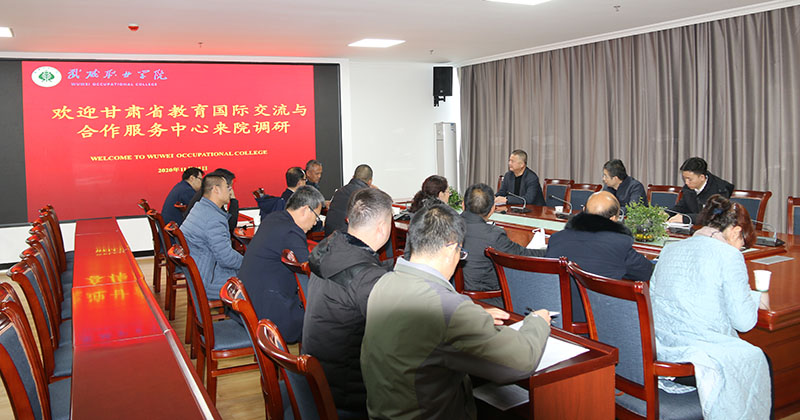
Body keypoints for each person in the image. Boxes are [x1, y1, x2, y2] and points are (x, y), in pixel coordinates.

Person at [361, 203, 551, 419]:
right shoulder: (448, 308)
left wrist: (472, 317)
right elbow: (521, 361)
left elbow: (421, 332)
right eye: (461, 252)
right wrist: (537, 321)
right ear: (451, 248)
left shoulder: (384, 283)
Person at [650, 195, 770, 419]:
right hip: (697, 361)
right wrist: (755, 297)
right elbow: (744, 323)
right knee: (760, 360)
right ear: (735, 231)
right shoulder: (729, 256)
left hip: (660, 351)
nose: (741, 248)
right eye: (743, 242)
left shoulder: (669, 250)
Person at [302, 188, 394, 414]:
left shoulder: (330, 246)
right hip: (348, 390)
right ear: (383, 227)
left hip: (318, 375)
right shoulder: (366, 278)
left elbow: (357, 276)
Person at [239, 186, 324, 343]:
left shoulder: (274, 218)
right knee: (328, 322)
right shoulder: (291, 231)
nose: (315, 223)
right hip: (268, 316)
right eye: (316, 217)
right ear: (306, 209)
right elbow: (310, 269)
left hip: (249, 302)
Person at [461, 183, 545, 305]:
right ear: (492, 209)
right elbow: (522, 256)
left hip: (454, 295)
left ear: (463, 205)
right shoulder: (493, 235)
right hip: (487, 300)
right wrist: (551, 250)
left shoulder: (447, 226)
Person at [545, 190, 653, 282]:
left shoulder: (556, 239)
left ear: (583, 211)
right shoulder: (619, 245)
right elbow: (647, 273)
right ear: (614, 219)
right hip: (599, 301)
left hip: (557, 300)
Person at [181, 173, 243, 300]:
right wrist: (248, 262)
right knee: (256, 287)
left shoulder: (199, 207)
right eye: (227, 187)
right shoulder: (213, 219)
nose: (230, 191)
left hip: (200, 275)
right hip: (209, 281)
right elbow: (226, 258)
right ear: (216, 189)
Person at [668, 157, 734, 224]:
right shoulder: (688, 188)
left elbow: (714, 216)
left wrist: (685, 218)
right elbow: (681, 208)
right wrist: (667, 214)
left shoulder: (721, 190)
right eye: (684, 179)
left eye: (689, 179)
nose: (686, 182)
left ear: (702, 177)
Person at [185, 168, 240, 234]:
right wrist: (233, 200)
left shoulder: (203, 200)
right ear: (217, 188)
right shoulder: (213, 216)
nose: (231, 191)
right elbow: (230, 226)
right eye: (229, 187)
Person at [325, 164, 374, 237]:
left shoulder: (340, 191)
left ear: (353, 177)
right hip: (348, 239)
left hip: (329, 237)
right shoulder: (365, 196)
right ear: (370, 181)